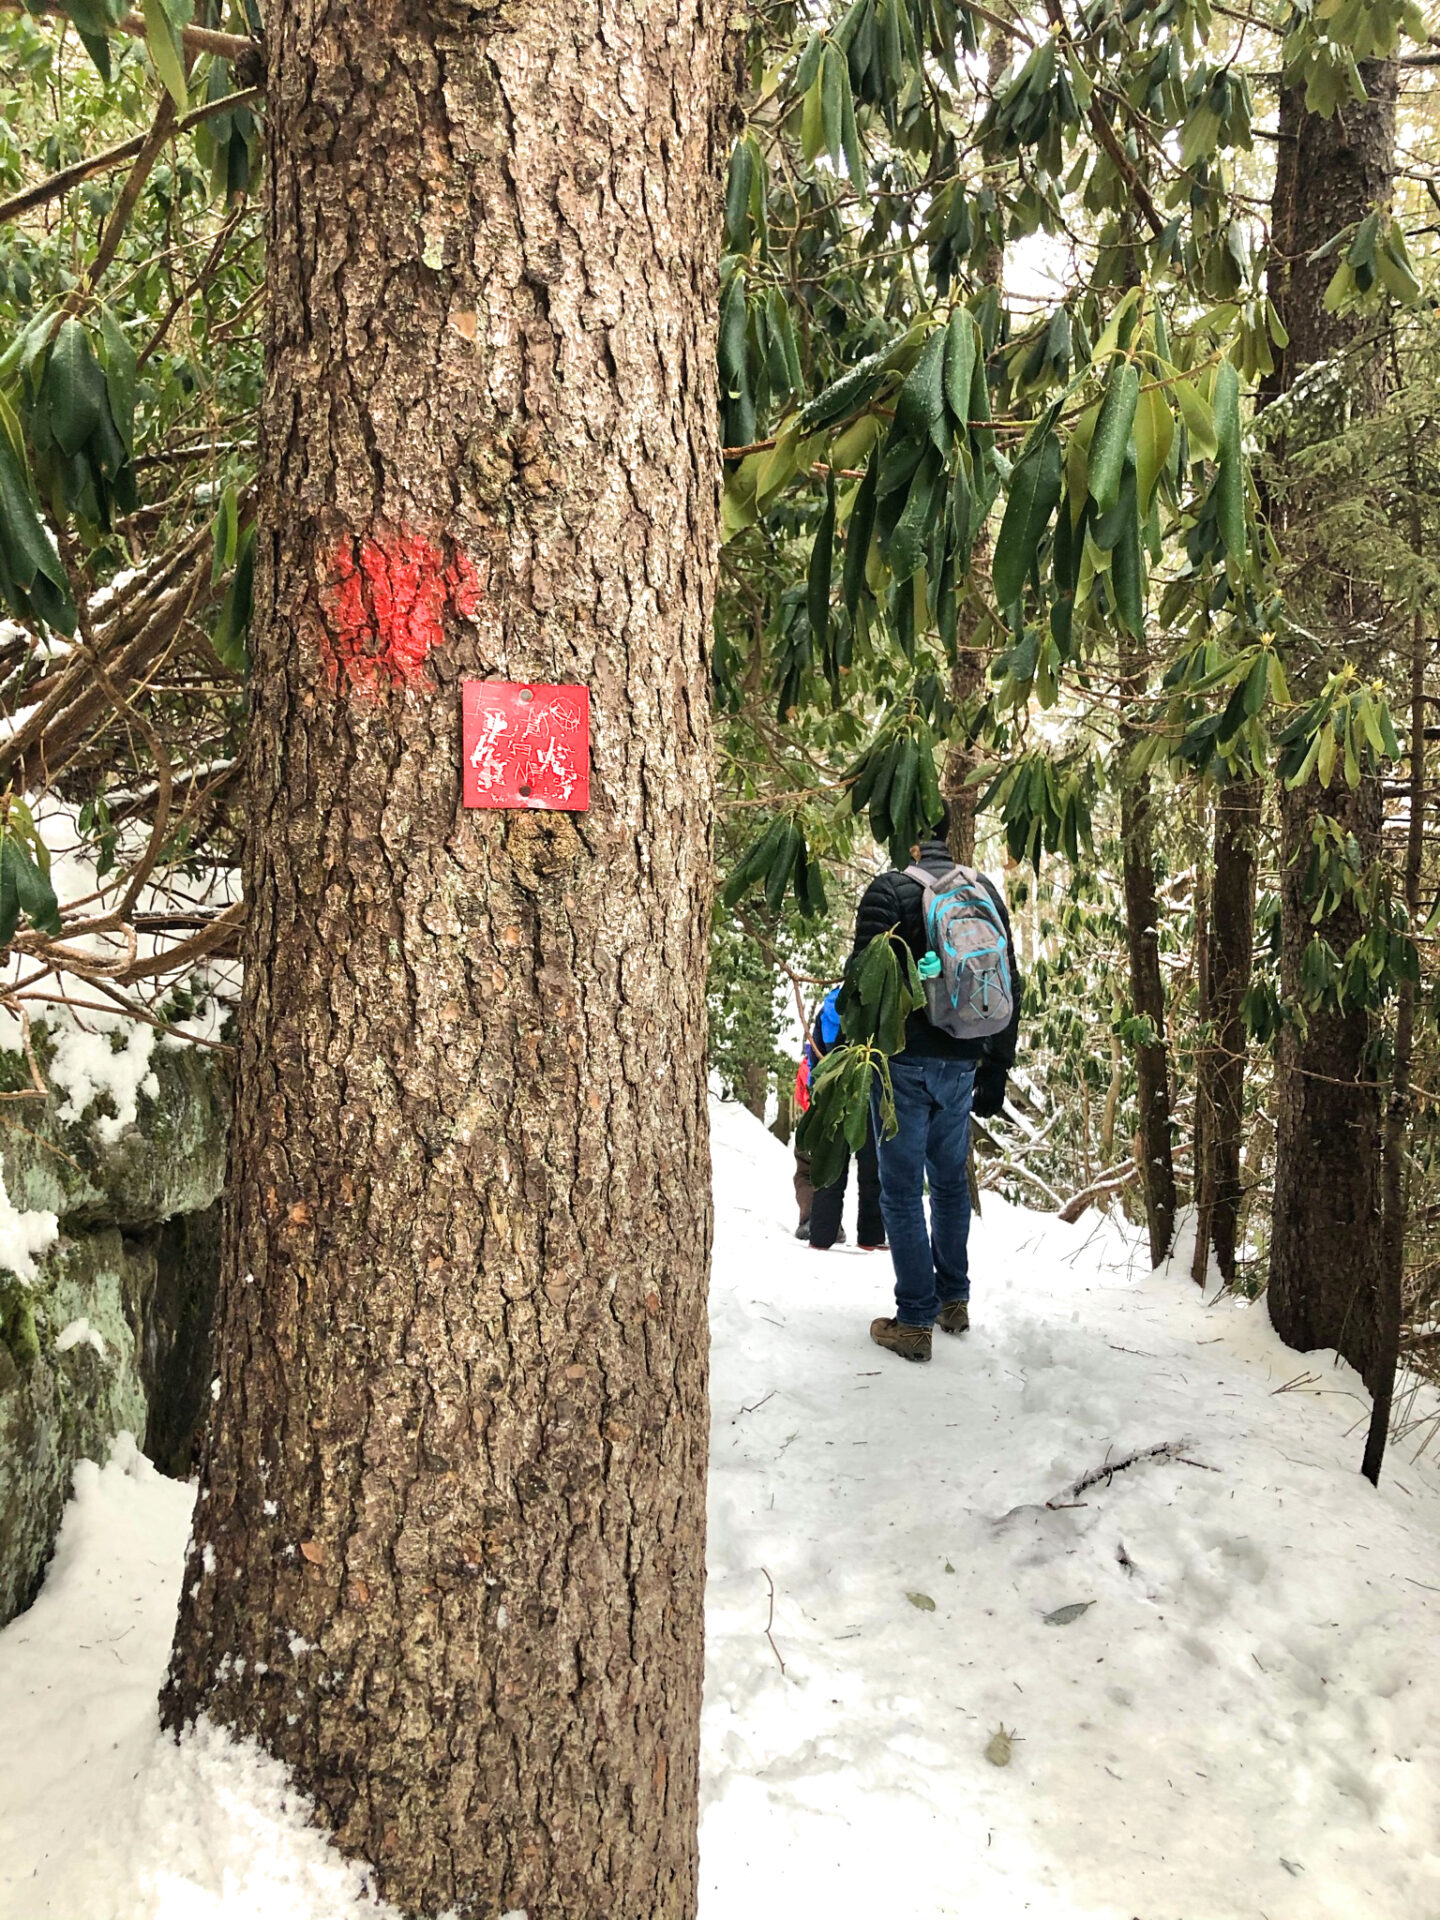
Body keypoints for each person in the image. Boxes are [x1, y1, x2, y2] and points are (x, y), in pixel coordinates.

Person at [848, 802, 1020, 1363]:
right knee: (948, 1185)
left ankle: (915, 1318)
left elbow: (861, 984)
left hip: (904, 1062)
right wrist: (997, 1066)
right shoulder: (984, 891)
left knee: (900, 1190)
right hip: (966, 1060)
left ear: (904, 832)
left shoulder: (889, 892)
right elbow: (1009, 982)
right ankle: (954, 1300)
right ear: (947, 835)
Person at [793, 986, 886, 1252]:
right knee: (872, 1166)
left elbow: (815, 1053)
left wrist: (816, 1091)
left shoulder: (828, 1009)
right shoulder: (873, 1003)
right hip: (867, 1093)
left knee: (830, 1164)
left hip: (832, 1093)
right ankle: (872, 1236)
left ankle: (821, 1234)